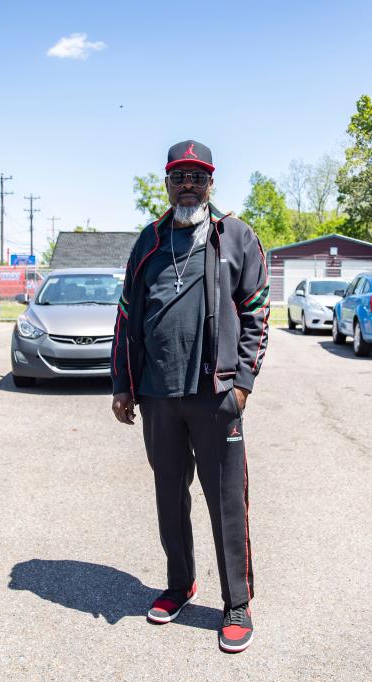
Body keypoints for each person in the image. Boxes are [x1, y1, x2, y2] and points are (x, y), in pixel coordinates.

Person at [110, 140, 269, 653]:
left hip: (215, 393)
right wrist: (122, 385)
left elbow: (257, 313)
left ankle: (237, 604)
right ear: (166, 183)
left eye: (198, 177)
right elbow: (126, 317)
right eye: (180, 176)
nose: (188, 185)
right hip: (158, 395)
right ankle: (180, 584)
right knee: (169, 498)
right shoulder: (149, 242)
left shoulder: (237, 237)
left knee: (225, 500)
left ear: (210, 185)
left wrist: (242, 382)